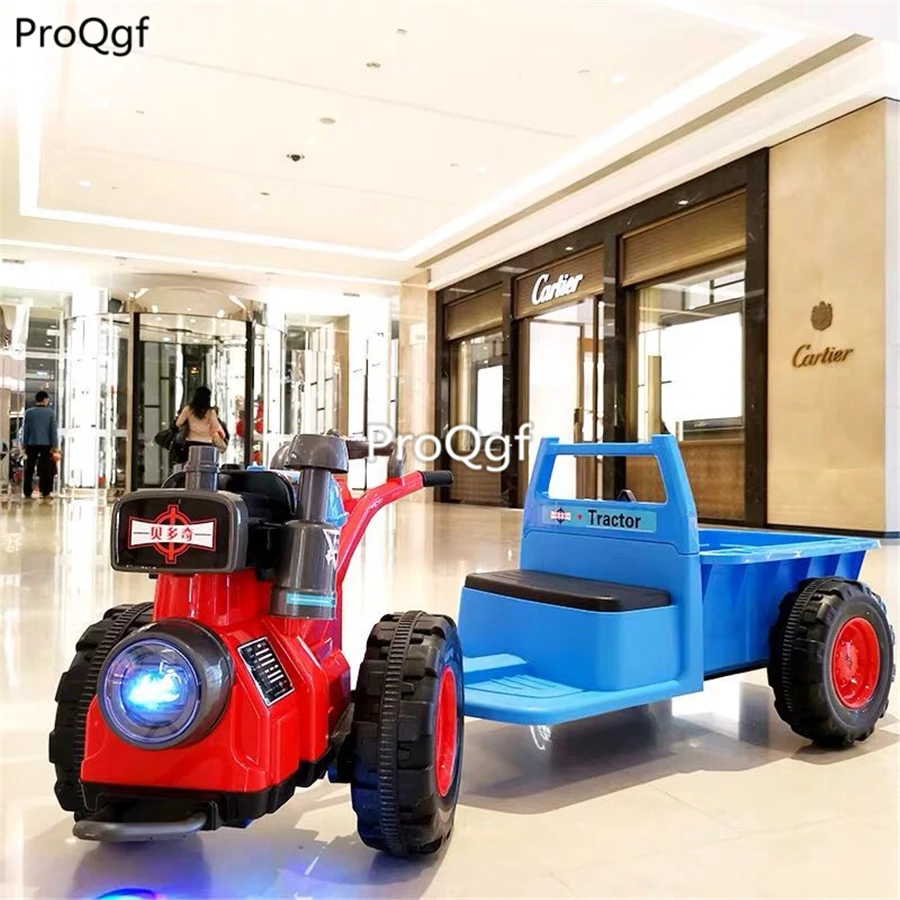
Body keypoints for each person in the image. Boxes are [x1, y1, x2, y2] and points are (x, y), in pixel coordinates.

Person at [174, 387, 227, 462]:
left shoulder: (188, 409)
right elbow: (215, 427)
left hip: (191, 443)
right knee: (205, 466)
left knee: (191, 465)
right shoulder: (211, 412)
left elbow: (178, 423)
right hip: (207, 443)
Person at [22, 390, 58, 499]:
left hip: (31, 443)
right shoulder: (50, 413)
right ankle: (45, 491)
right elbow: (53, 431)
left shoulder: (29, 413)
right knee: (45, 468)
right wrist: (54, 445)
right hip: (46, 444)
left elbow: (25, 430)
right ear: (45, 399)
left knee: (29, 468)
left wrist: (24, 444)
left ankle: (27, 491)